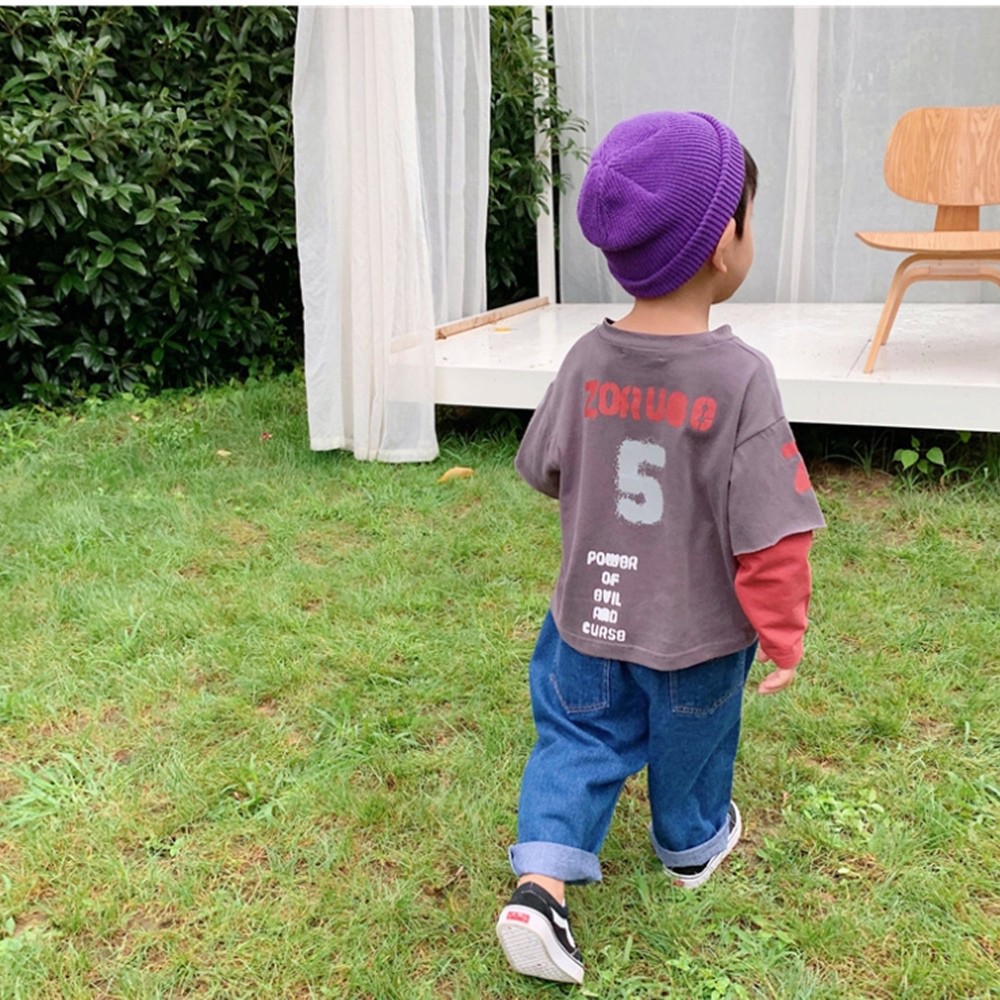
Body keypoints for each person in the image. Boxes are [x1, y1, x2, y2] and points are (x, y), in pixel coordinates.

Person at [494, 111, 826, 985]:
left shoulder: (585, 359)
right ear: (724, 243)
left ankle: (540, 886)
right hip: (696, 633)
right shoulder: (740, 377)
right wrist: (784, 635)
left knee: (574, 738)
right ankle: (692, 846)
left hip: (587, 617)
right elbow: (773, 534)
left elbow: (544, 468)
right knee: (695, 741)